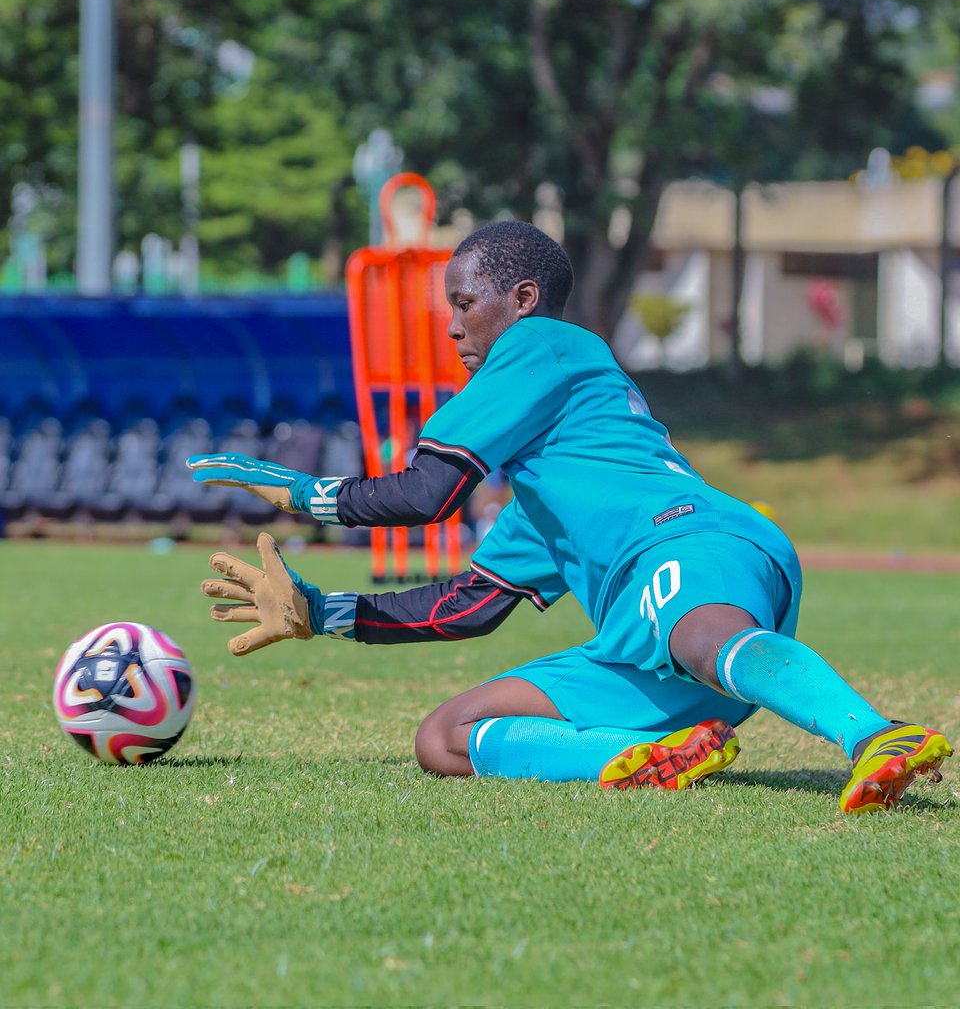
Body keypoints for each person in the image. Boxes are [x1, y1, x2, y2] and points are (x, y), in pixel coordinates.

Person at [188, 221, 952, 813]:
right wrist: (323, 613)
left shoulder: (543, 343)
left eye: (464, 304)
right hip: (652, 637)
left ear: (520, 300)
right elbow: (468, 607)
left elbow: (429, 494)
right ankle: (646, 758)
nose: (453, 328)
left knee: (695, 629)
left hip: (692, 539)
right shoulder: (547, 495)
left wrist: (307, 493)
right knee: (446, 737)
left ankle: (877, 736)